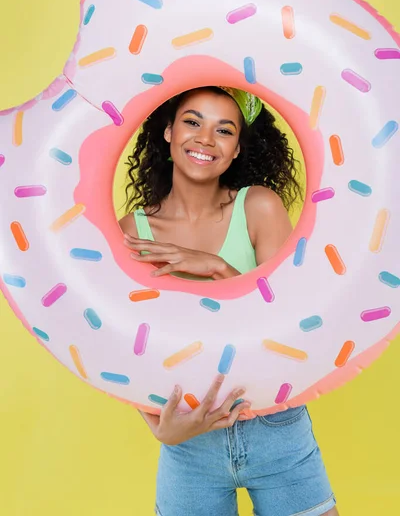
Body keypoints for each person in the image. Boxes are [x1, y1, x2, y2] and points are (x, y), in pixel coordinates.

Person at [119, 87, 338, 516]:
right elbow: (125, 341)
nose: (205, 138)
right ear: (167, 131)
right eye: (192, 122)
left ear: (237, 149)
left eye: (224, 129)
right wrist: (158, 427)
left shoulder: (259, 207)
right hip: (189, 443)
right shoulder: (134, 231)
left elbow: (290, 326)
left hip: (276, 427)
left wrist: (219, 268)